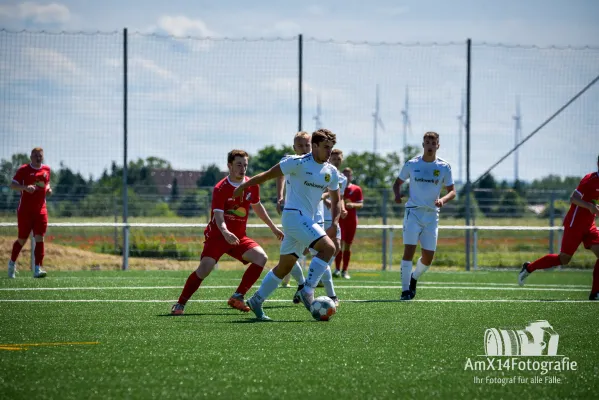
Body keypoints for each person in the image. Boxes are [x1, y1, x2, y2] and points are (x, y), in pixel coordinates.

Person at [233, 129, 341, 321]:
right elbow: (267, 175)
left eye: (331, 149)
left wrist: (334, 222)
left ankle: (257, 300)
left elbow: (336, 199)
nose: (329, 153)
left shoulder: (331, 172)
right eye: (326, 148)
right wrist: (243, 186)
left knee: (284, 266)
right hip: (294, 217)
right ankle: (307, 291)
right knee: (328, 249)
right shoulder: (296, 162)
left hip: (305, 221)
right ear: (314, 146)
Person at [171, 150, 283, 315]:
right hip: (218, 236)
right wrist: (225, 231)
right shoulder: (221, 188)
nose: (242, 168)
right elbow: (218, 215)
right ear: (229, 166)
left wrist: (273, 227)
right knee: (205, 269)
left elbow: (258, 207)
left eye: (245, 165)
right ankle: (180, 303)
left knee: (261, 257)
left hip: (238, 237)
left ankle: (238, 296)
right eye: (238, 164)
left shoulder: (252, 185)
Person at [519, 156, 599, 300]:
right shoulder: (590, 180)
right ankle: (529, 268)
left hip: (589, 226)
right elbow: (573, 198)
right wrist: (590, 207)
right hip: (575, 224)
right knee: (564, 259)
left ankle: (595, 293)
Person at [393, 131, 455, 300]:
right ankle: (405, 290)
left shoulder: (443, 167)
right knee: (409, 251)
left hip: (431, 216)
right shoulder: (412, 164)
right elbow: (397, 183)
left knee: (428, 258)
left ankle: (414, 278)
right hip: (413, 213)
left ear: (438, 146)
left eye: (433, 143)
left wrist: (442, 200)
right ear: (423, 145)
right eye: (427, 142)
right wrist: (397, 195)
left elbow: (452, 192)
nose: (430, 145)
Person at [8, 147, 52, 279]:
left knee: (40, 238)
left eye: (40, 156)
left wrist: (49, 189)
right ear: (31, 157)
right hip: (25, 211)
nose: (39, 158)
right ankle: (11, 264)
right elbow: (12, 185)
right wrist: (25, 188)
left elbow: (47, 184)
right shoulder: (24, 169)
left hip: (41, 210)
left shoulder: (47, 170)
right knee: (22, 239)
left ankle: (37, 268)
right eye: (36, 156)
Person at [277, 132, 311, 293]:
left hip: (313, 215)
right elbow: (279, 174)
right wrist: (280, 196)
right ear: (294, 148)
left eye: (307, 145)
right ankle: (306, 287)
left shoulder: (317, 164)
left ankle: (306, 286)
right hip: (294, 216)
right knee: (290, 255)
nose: (304, 149)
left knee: (296, 254)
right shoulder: (290, 162)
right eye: (300, 146)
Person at [319, 149, 348, 305]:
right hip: (319, 216)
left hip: (332, 218)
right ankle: (313, 277)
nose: (336, 160)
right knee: (306, 250)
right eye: (333, 158)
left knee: (336, 247)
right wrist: (327, 200)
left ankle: (318, 275)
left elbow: (338, 197)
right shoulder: (322, 172)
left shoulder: (342, 178)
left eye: (338, 158)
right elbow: (321, 194)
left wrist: (341, 208)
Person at [334, 167, 363, 279]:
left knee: (348, 245)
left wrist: (353, 205)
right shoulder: (338, 187)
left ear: (351, 176)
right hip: (340, 219)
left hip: (351, 220)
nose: (346, 176)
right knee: (338, 244)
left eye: (348, 174)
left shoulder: (356, 189)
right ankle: (336, 269)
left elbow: (360, 204)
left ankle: (345, 270)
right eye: (344, 174)